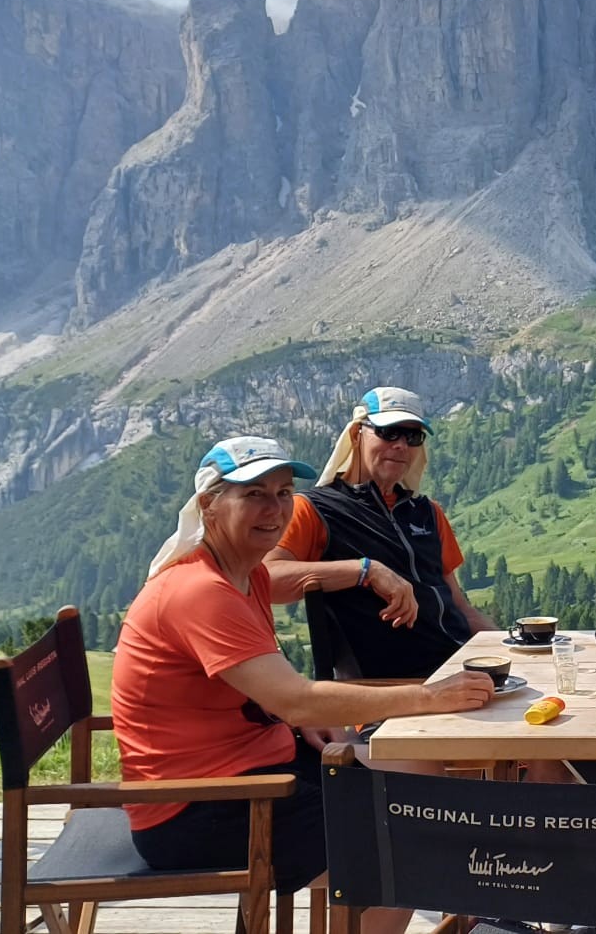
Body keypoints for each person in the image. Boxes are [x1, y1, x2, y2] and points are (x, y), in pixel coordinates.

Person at [113, 436, 496, 934]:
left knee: (416, 769)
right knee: (410, 840)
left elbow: (265, 695)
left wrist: (367, 570)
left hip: (254, 772)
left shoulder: (241, 575)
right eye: (253, 494)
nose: (274, 509)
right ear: (209, 505)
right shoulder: (201, 591)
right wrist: (429, 697)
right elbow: (293, 698)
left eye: (283, 492)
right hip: (201, 809)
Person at [264, 387, 495, 680]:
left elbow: (460, 608)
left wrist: (513, 649)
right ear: (356, 435)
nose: (401, 445)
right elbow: (265, 580)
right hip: (387, 689)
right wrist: (365, 571)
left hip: (460, 671)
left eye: (413, 437)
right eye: (389, 432)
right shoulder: (312, 509)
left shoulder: (428, 512)